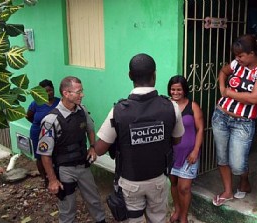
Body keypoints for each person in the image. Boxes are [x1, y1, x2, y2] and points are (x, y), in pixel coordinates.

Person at [93, 53, 185, 223]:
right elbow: (177, 140)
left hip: (130, 182)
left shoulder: (119, 110)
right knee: (158, 219)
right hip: (158, 178)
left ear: (130, 76)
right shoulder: (171, 107)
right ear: (154, 75)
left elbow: (99, 149)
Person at [36, 76, 106, 223]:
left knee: (94, 201)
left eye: (82, 91)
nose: (82, 95)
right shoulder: (51, 121)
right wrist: (53, 180)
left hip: (83, 165)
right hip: (64, 170)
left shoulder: (82, 111)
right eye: (78, 92)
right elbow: (45, 154)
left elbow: (90, 129)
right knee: (68, 207)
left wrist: (92, 147)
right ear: (66, 93)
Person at [212, 34, 257, 206]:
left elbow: (255, 97)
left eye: (240, 55)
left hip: (242, 123)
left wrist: (229, 93)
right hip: (221, 116)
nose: (237, 59)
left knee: (237, 164)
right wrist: (222, 87)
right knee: (222, 158)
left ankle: (244, 179)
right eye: (236, 55)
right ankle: (228, 191)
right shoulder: (236, 64)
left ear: (252, 53)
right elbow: (224, 71)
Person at [167, 75, 204, 223]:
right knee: (174, 183)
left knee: (185, 188)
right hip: (171, 154)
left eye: (179, 89)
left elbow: (200, 129)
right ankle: (177, 210)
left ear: (184, 90)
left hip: (189, 154)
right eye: (172, 89)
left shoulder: (193, 106)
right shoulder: (166, 105)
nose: (175, 93)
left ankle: (184, 216)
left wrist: (196, 151)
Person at [26, 79, 60, 184]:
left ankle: (56, 177)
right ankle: (44, 178)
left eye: (50, 90)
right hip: (38, 133)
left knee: (56, 154)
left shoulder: (59, 102)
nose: (49, 93)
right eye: (45, 91)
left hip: (55, 133)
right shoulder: (36, 103)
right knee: (40, 156)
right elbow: (29, 116)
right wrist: (39, 125)